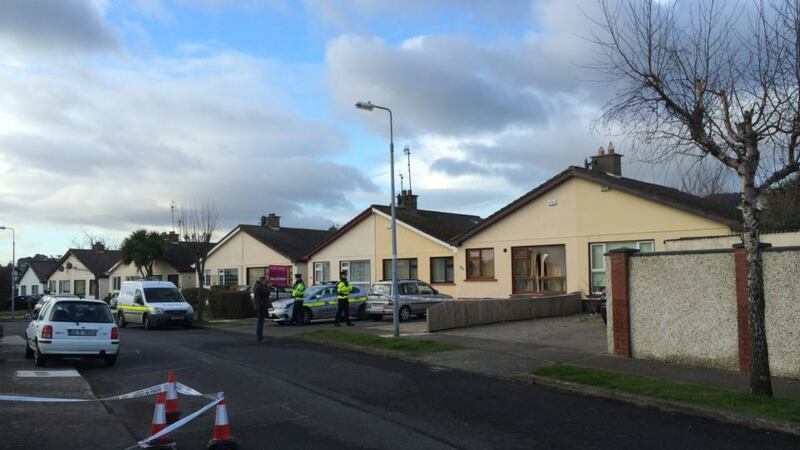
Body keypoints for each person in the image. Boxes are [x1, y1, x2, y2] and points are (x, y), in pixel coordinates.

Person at [253, 277, 271, 342]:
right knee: (261, 321)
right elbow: (266, 293)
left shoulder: (256, 286)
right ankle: (260, 338)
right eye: (265, 281)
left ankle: (259, 337)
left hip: (259, 305)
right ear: (262, 281)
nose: (266, 283)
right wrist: (268, 287)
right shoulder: (260, 287)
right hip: (261, 305)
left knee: (260, 321)